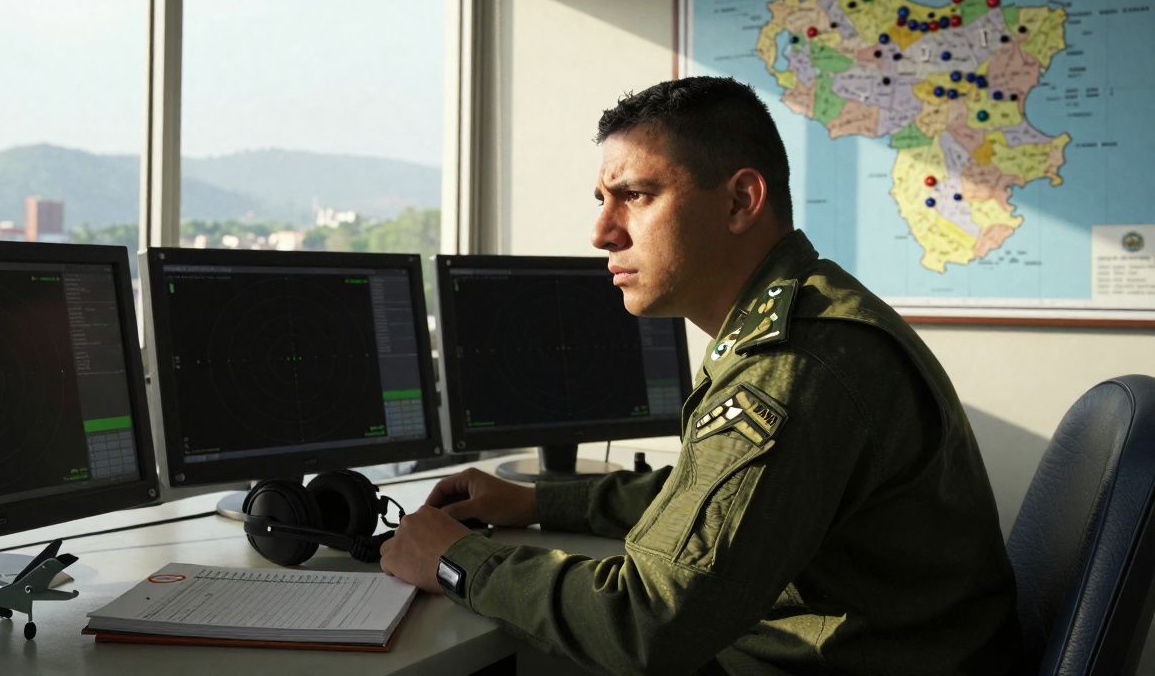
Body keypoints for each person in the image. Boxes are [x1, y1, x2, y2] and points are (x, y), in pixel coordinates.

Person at [378, 76, 1021, 675]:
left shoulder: (795, 365)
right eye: (603, 201)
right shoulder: (807, 318)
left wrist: (457, 561)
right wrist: (537, 501)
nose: (602, 232)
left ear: (741, 200)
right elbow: (708, 492)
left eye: (635, 195)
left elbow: (645, 621)